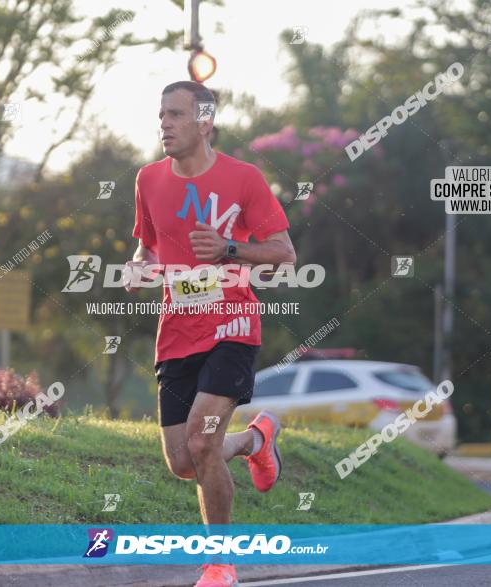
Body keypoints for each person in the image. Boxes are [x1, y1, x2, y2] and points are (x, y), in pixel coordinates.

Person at [125, 81, 296, 587]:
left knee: (201, 442)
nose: (165, 124)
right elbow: (148, 249)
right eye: (161, 115)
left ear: (205, 123)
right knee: (183, 461)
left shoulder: (243, 179)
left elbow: (284, 252)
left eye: (175, 115)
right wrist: (139, 269)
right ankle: (253, 441)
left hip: (232, 325)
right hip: (176, 329)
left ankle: (220, 564)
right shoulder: (148, 179)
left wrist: (228, 250)